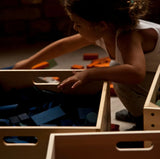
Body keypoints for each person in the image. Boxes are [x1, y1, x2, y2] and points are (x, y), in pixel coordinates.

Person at [13, 0, 160, 130]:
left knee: (120, 79)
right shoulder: (105, 30)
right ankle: (137, 109)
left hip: (151, 71)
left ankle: (145, 122)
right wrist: (29, 63)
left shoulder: (127, 37)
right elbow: (63, 46)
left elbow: (136, 72)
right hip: (154, 68)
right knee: (116, 67)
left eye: (78, 24)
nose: (75, 28)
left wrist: (90, 73)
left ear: (101, 25)